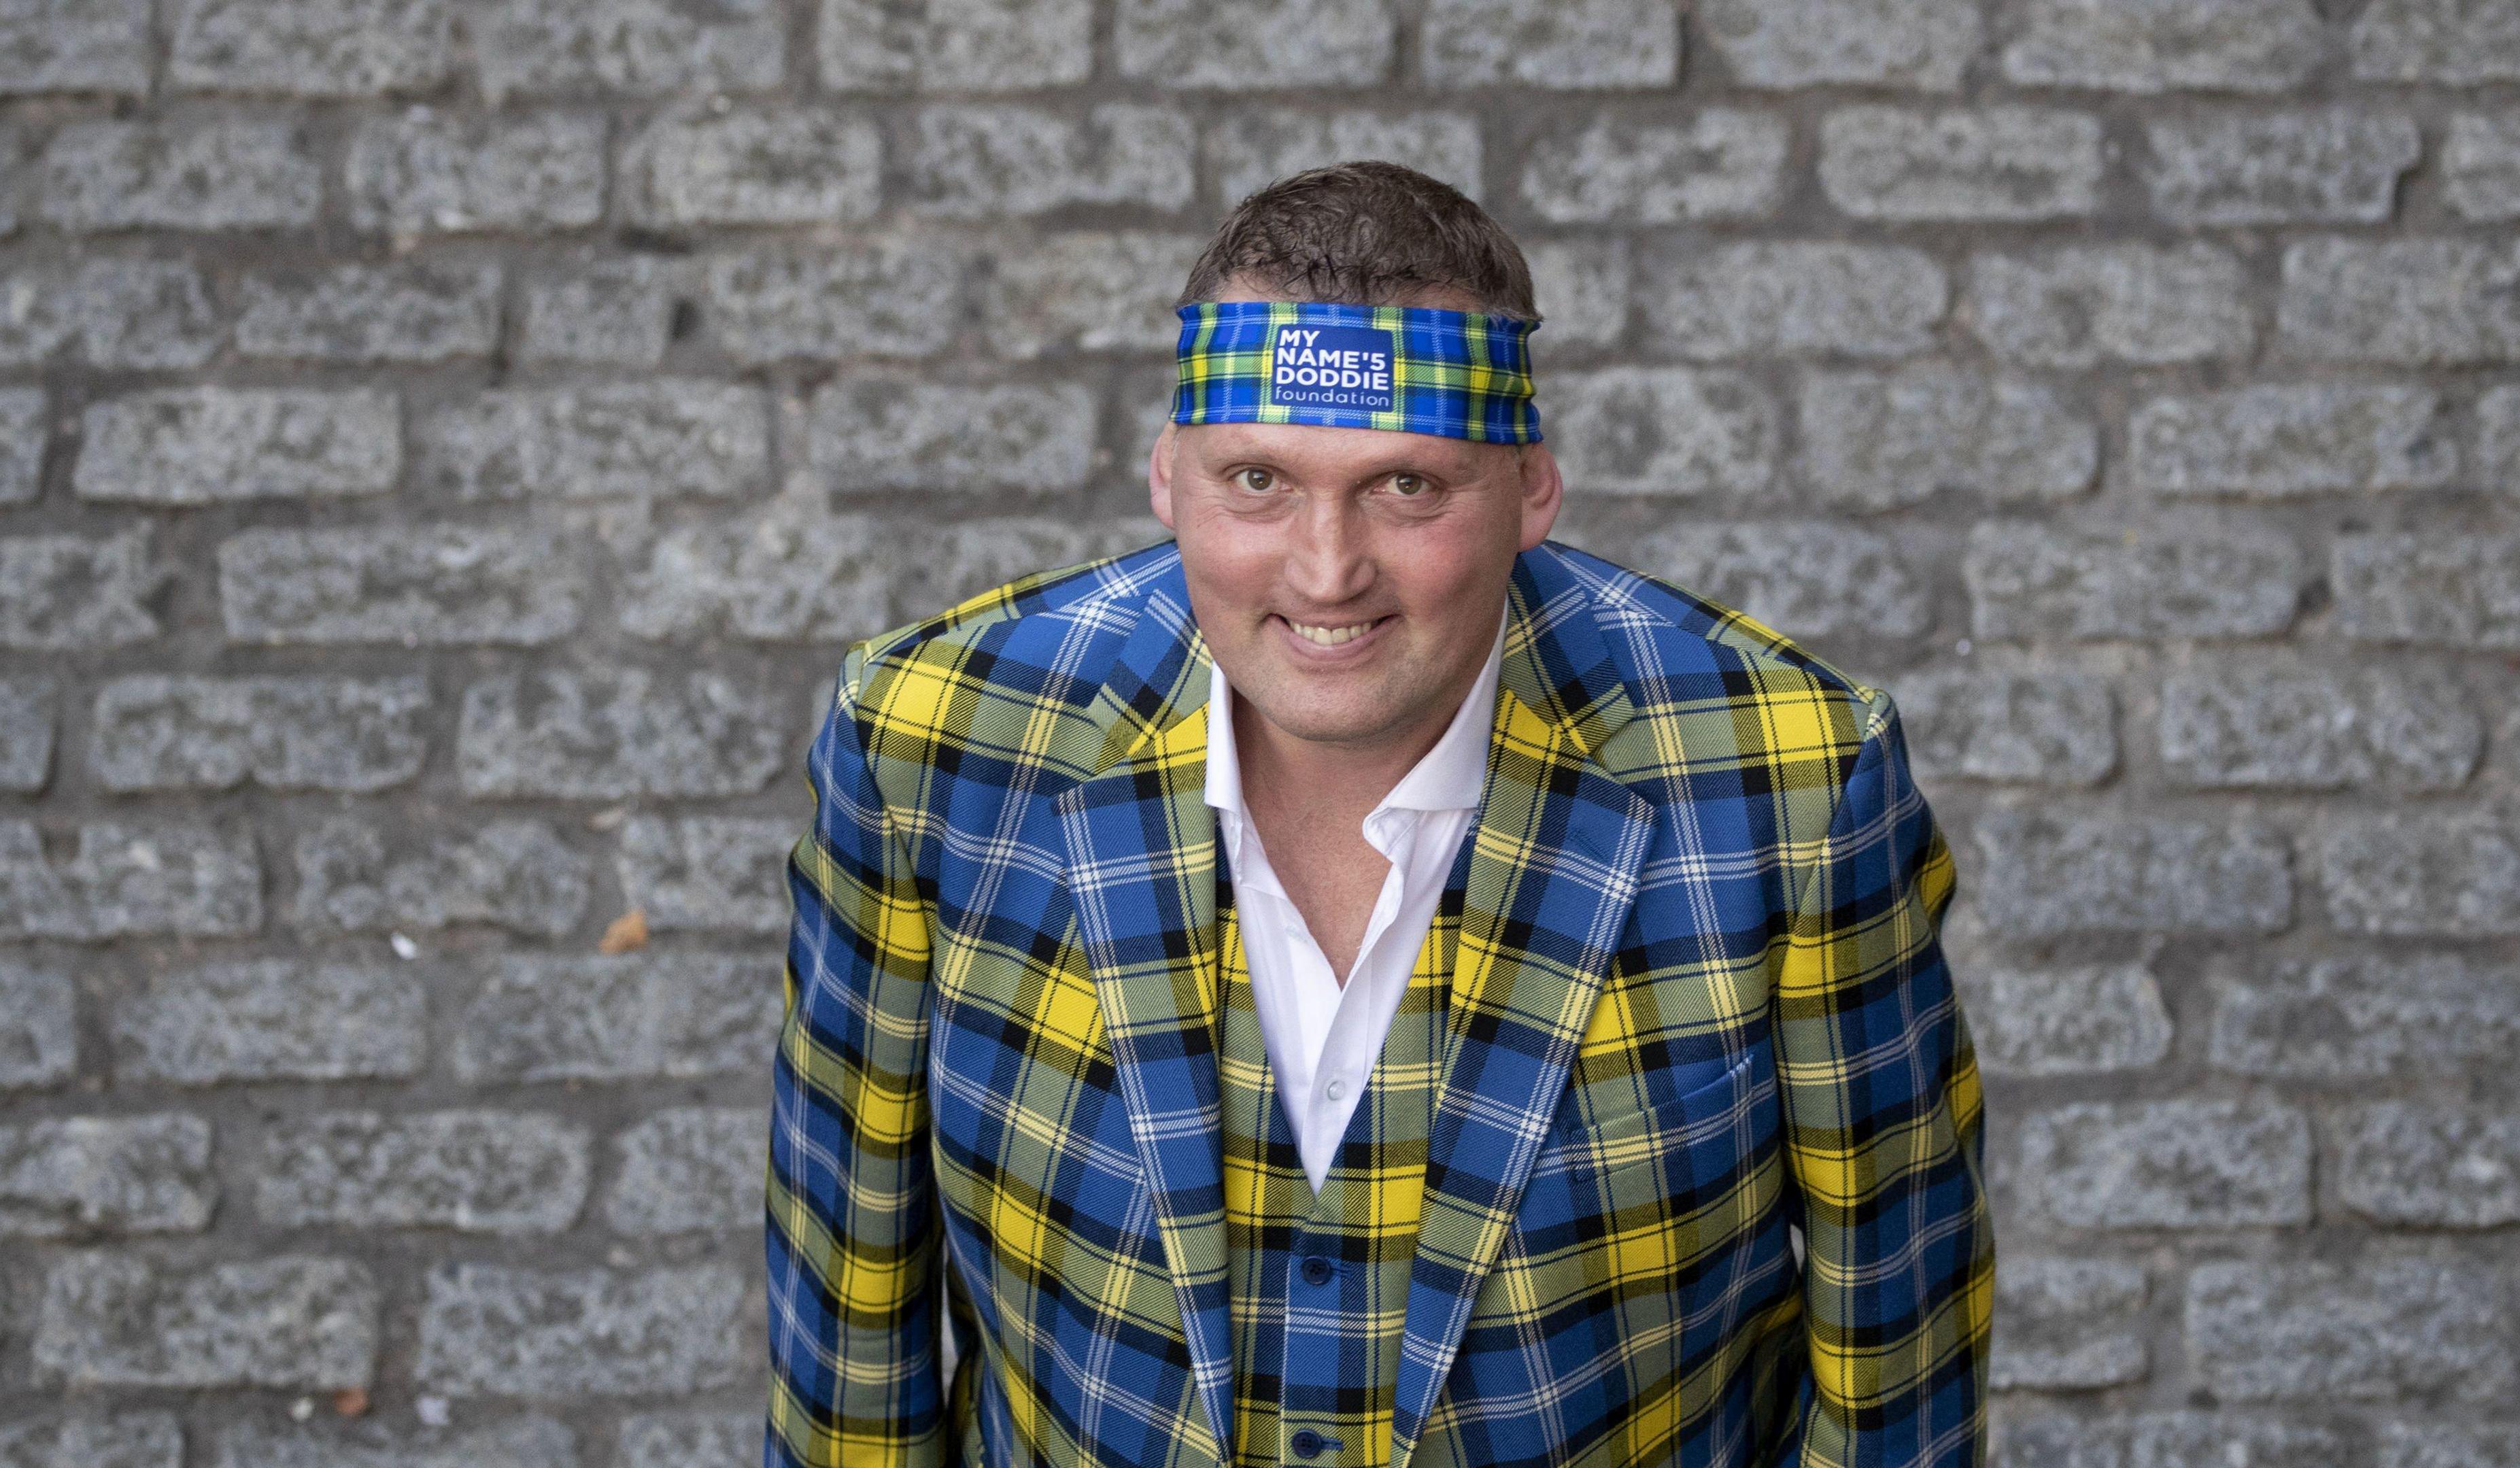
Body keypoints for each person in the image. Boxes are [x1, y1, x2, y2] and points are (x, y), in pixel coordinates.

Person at [766, 161, 1991, 1468]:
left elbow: (1897, 1365)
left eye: (1407, 488)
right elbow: (852, 1317)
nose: (1324, 570)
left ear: (1531, 491)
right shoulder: (935, 741)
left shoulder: (1790, 782)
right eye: (1258, 482)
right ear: (1167, 477)